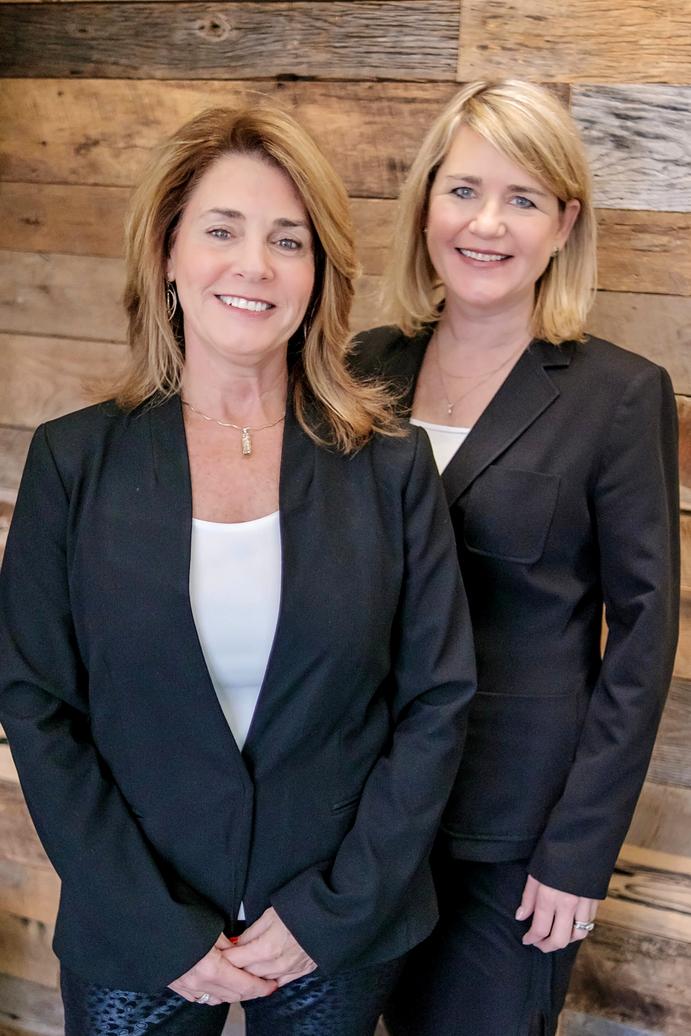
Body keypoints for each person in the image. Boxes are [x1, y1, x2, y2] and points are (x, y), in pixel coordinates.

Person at [0, 105, 477, 1036]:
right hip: (137, 927)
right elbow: (37, 705)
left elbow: (436, 700)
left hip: (335, 930)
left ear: (318, 275)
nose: (254, 265)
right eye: (222, 230)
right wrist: (156, 927)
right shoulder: (72, 461)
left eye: (287, 240)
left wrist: (332, 912)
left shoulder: (390, 466)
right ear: (167, 254)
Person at [353, 80, 680, 1036]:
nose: (485, 224)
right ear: (425, 204)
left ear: (562, 224)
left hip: (510, 836)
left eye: (522, 198)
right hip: (352, 818)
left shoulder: (618, 395)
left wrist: (578, 852)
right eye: (462, 190)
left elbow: (642, 639)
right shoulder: (361, 368)